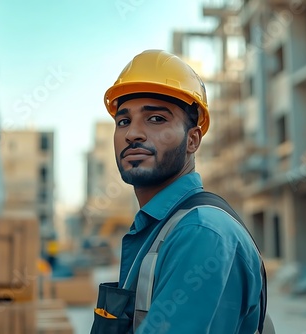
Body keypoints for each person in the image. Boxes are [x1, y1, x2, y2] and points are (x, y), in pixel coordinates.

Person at [91, 49, 267, 334]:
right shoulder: (161, 228)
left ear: (192, 139)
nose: (132, 133)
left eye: (156, 119)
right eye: (123, 121)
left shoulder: (201, 232)